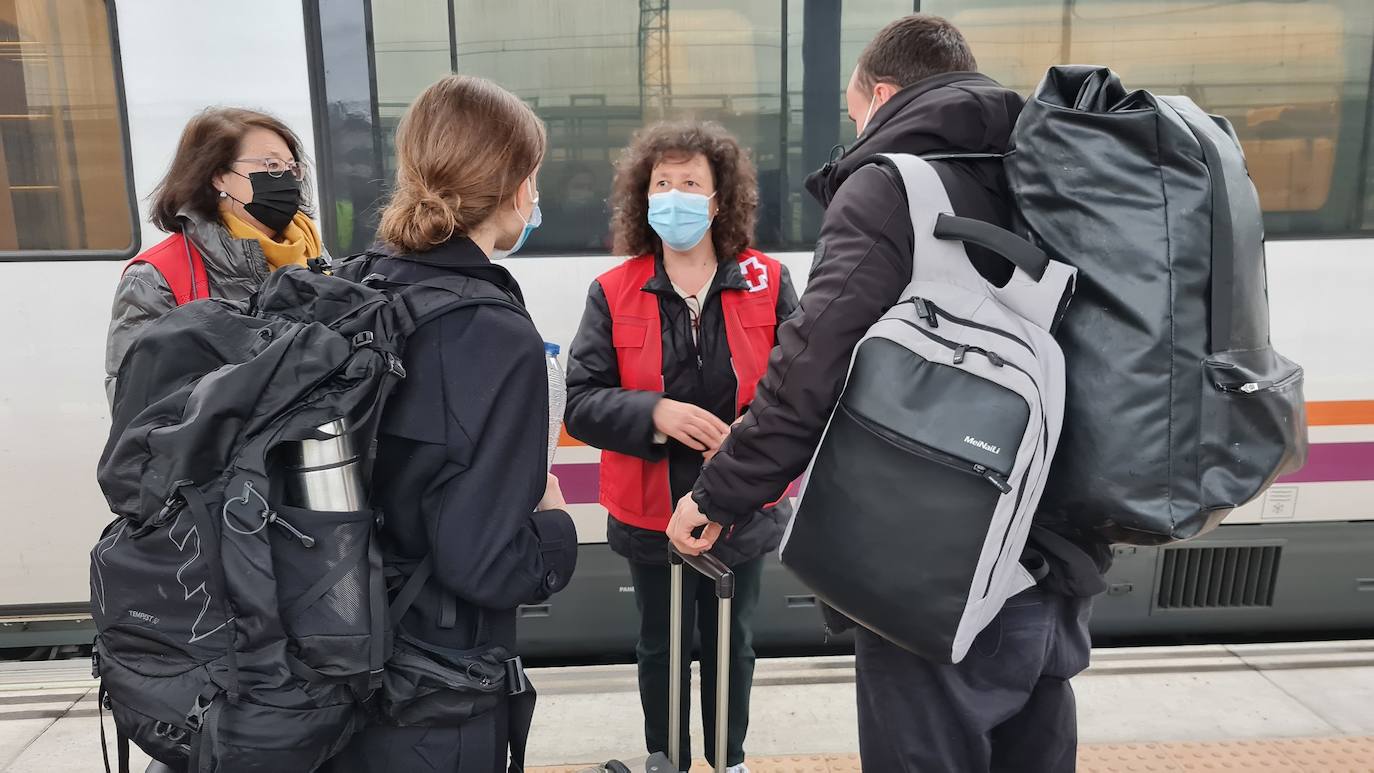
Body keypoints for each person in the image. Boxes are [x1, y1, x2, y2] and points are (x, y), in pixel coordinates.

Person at [667, 15, 1111, 773]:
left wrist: (718, 494)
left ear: (880, 94)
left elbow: (809, 364)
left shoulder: (892, 185)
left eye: (852, 113)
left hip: (937, 573)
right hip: (1055, 561)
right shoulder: (1043, 171)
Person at [319, 74, 578, 773]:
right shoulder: (494, 333)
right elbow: (485, 560)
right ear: (517, 186)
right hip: (438, 689)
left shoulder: (356, 285)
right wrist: (554, 525)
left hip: (336, 666)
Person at [565, 121, 798, 773]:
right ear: (644, 199)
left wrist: (745, 447)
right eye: (662, 183)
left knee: (734, 642)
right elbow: (583, 401)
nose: (675, 194)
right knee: (660, 644)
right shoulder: (613, 291)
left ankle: (730, 760)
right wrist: (656, 413)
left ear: (719, 198)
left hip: (741, 504)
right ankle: (667, 758)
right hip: (650, 511)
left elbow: (797, 392)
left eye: (690, 182)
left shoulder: (769, 281)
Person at [104, 107, 324, 404]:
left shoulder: (315, 253)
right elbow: (135, 400)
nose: (285, 177)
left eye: (291, 167)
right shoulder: (155, 278)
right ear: (219, 176)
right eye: (271, 165)